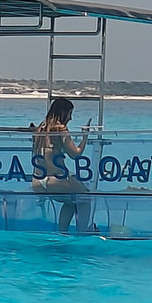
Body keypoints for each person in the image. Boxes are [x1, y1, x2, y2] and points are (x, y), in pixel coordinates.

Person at [31, 97, 93, 233]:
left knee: (70, 202)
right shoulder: (60, 128)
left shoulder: (40, 128)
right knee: (85, 197)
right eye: (70, 114)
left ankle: (62, 233)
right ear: (63, 112)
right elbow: (75, 154)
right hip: (55, 180)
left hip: (37, 181)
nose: (70, 118)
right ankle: (82, 233)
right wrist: (85, 137)